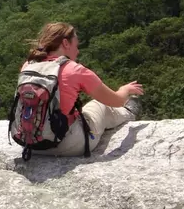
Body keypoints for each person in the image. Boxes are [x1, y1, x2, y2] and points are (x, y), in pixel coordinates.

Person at [18, 22, 143, 156]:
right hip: (67, 144)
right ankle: (129, 113)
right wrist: (125, 90)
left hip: (30, 143)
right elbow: (116, 100)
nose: (77, 51)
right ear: (66, 43)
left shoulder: (28, 65)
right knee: (99, 105)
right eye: (76, 45)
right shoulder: (74, 70)